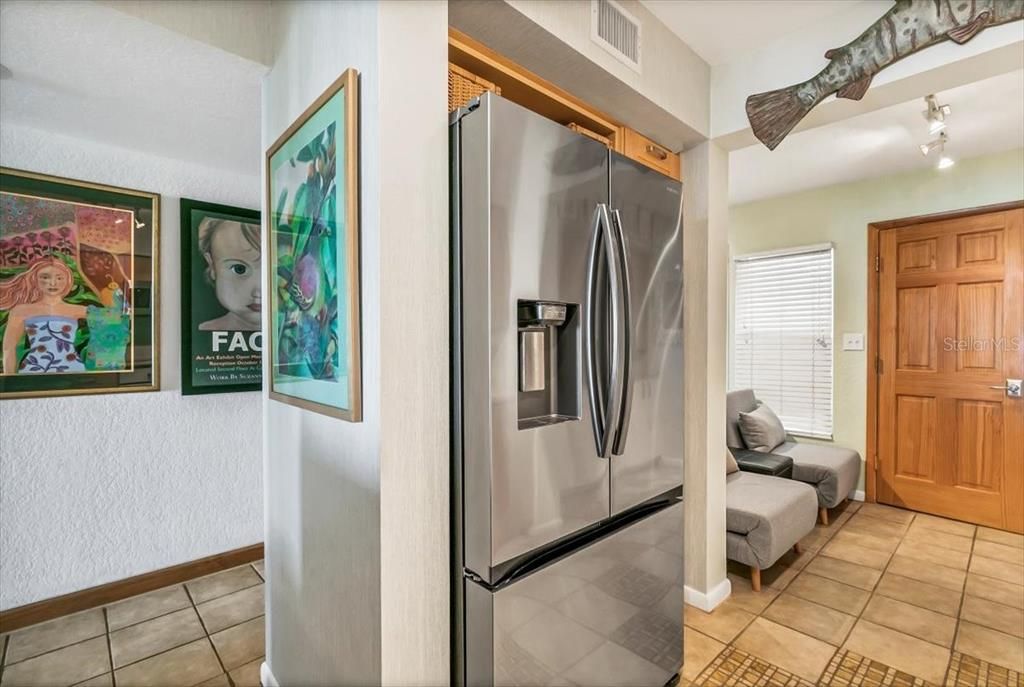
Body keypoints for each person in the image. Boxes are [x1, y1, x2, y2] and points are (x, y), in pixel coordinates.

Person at [0, 257, 87, 374]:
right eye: (45, 277)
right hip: (34, 370)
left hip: (72, 370)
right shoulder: (20, 311)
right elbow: (9, 348)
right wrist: (8, 380)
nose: (53, 283)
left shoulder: (79, 310)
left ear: (68, 280)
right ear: (34, 279)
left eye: (59, 278)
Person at [197, 218, 261, 331]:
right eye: (239, 269)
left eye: (275, 271)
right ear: (212, 266)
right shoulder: (204, 331)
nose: (259, 291)